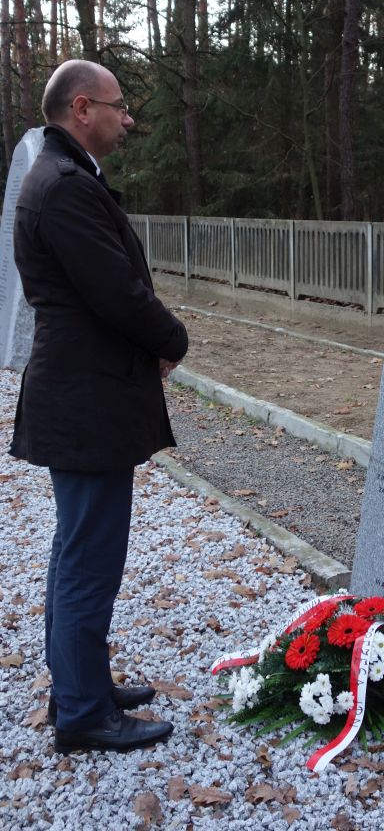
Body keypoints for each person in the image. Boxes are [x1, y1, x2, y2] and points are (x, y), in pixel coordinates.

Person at [10, 60, 189, 753]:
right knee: (88, 558)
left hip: (82, 395)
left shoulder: (64, 177)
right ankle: (83, 713)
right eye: (119, 106)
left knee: (77, 551)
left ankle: (79, 687)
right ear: (81, 108)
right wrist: (171, 338)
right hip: (86, 401)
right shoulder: (64, 187)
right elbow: (115, 291)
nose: (128, 118)